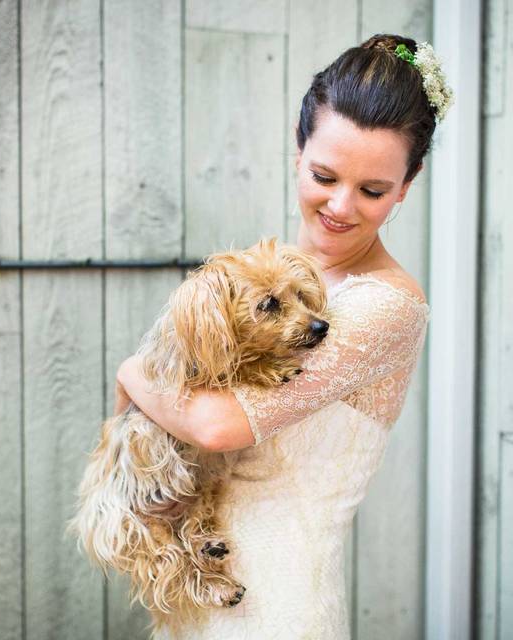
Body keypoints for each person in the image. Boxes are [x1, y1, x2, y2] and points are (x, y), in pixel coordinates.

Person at [114, 33, 452, 639]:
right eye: (324, 175)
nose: (341, 206)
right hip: (196, 579)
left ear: (408, 182)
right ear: (297, 149)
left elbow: (216, 423)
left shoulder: (385, 306)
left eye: (373, 191)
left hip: (275, 602)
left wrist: (131, 374)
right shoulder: (280, 279)